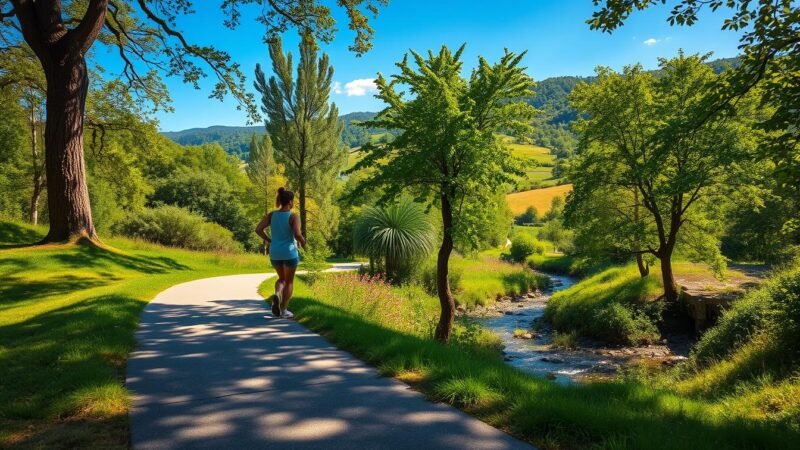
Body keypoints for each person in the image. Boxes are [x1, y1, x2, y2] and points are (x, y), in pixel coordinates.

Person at [255, 187, 307, 318]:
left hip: (275, 252)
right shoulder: (293, 216)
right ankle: (283, 310)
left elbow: (258, 229)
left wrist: (269, 240)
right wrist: (304, 243)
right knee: (289, 281)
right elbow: (297, 234)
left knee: (281, 279)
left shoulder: (272, 215)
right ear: (290, 201)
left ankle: (277, 294)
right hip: (289, 253)